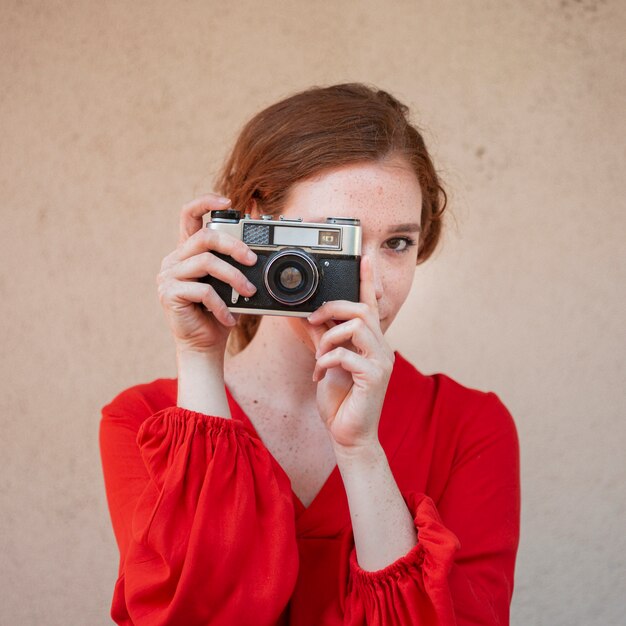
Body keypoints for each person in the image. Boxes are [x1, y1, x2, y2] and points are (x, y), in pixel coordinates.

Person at [99, 83, 520, 626]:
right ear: (256, 228)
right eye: (333, 239)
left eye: (397, 244)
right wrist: (200, 356)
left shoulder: (470, 426)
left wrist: (361, 451)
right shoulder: (140, 422)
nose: (368, 286)